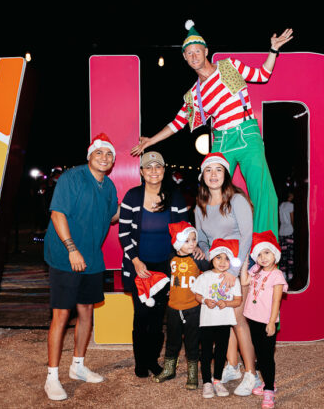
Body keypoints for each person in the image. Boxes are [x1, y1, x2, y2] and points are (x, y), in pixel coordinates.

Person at [131, 20, 294, 238]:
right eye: (188, 53)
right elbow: (177, 122)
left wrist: (273, 50)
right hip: (222, 141)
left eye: (197, 51)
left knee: (264, 192)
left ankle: (264, 248)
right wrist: (151, 140)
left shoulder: (228, 66)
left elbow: (262, 75)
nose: (194, 56)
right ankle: (221, 245)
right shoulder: (194, 94)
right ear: (185, 58)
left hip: (246, 134)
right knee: (214, 193)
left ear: (206, 51)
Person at [43, 133, 119, 401]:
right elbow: (57, 213)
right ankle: (52, 377)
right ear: (89, 156)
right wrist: (71, 248)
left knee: (86, 310)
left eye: (109, 154)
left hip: (92, 257)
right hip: (66, 255)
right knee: (62, 315)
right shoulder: (71, 178)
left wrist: (142, 206)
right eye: (99, 153)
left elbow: (113, 216)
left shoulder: (109, 186)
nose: (104, 157)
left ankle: (78, 366)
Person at [119, 151, 189, 378]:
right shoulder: (132, 196)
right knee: (141, 317)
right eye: (148, 167)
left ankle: (152, 360)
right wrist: (136, 261)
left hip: (165, 268)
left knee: (158, 320)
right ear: (141, 172)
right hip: (139, 266)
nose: (153, 171)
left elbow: (183, 232)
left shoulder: (175, 197)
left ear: (163, 170)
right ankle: (141, 362)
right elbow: (124, 233)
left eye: (157, 166)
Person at [194, 152, 259, 396]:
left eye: (218, 170)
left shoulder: (237, 200)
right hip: (217, 268)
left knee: (239, 320)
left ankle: (251, 374)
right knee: (225, 318)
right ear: (203, 176)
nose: (213, 175)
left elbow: (246, 236)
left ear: (225, 174)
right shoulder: (200, 206)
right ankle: (232, 366)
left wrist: (234, 269)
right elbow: (202, 239)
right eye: (208, 170)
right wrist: (201, 251)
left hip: (238, 265)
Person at [153, 221, 208, 389]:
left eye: (194, 239)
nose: (192, 243)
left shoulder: (199, 260)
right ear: (178, 243)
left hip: (193, 308)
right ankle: (169, 368)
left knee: (192, 342)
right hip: (173, 308)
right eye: (187, 240)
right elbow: (169, 278)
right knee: (172, 341)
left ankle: (193, 373)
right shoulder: (171, 259)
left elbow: (210, 276)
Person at [241, 231, 288, 409]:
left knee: (267, 356)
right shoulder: (256, 270)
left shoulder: (277, 275)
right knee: (260, 354)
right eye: (259, 254)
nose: (263, 257)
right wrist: (246, 262)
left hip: (266, 321)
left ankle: (269, 390)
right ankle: (268, 382)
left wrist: (271, 322)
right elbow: (245, 281)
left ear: (275, 253)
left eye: (267, 253)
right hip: (252, 318)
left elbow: (277, 300)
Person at [191, 239, 242, 399]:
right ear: (212, 258)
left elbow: (238, 300)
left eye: (227, 258)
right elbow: (197, 295)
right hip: (207, 321)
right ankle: (207, 382)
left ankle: (217, 380)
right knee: (206, 352)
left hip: (224, 322)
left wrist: (226, 303)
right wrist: (205, 300)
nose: (222, 262)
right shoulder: (205, 277)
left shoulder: (233, 279)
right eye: (218, 257)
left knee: (221, 352)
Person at [278, 191, 295, 281]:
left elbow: (280, 219)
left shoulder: (281, 205)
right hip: (289, 231)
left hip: (282, 231)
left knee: (283, 254)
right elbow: (292, 219)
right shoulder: (291, 205)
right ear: (290, 196)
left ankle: (283, 273)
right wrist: (294, 228)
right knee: (290, 254)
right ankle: (290, 274)